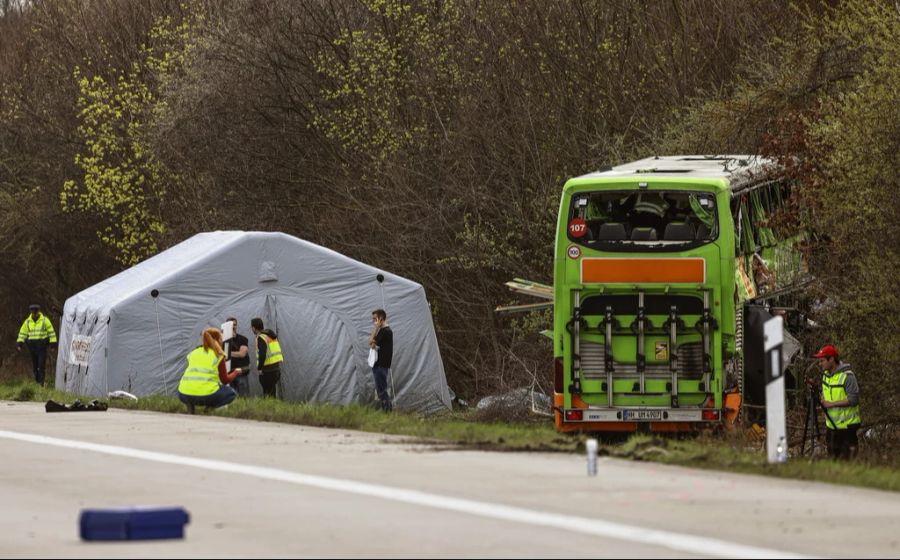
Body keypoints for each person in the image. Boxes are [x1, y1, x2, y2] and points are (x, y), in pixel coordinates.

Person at [177, 327, 241, 414]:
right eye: (221, 339)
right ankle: (209, 409)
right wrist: (236, 372)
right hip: (204, 395)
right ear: (218, 340)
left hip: (183, 393)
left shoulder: (193, 353)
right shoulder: (218, 355)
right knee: (231, 393)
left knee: (192, 390)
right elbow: (225, 380)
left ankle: (190, 407)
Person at [814, 344, 861, 459]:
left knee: (847, 464)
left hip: (847, 428)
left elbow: (854, 400)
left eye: (822, 361)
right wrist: (823, 404)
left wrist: (831, 404)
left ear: (832, 359)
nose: (820, 364)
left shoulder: (848, 376)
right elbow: (829, 395)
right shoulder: (825, 375)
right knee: (833, 463)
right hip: (831, 427)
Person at [16, 303, 57, 385]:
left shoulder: (45, 320)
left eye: (36, 311)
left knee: (41, 365)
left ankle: (41, 383)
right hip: (32, 347)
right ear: (31, 312)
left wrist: (53, 344)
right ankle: (37, 381)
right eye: (33, 311)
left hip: (42, 346)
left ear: (39, 311)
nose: (34, 313)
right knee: (35, 366)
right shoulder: (27, 322)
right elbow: (22, 333)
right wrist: (19, 344)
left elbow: (51, 332)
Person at [368, 309, 393, 411]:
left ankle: (387, 411)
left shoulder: (386, 331)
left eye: (375, 319)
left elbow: (370, 341)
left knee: (382, 391)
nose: (374, 321)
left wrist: (375, 328)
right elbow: (371, 343)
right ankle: (386, 410)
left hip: (381, 366)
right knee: (380, 390)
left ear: (381, 318)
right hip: (378, 365)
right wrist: (373, 341)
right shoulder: (382, 331)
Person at [250, 317, 283, 398]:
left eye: (251, 327)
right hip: (276, 368)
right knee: (272, 393)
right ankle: (273, 409)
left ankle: (269, 410)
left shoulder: (261, 337)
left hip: (267, 370)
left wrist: (259, 368)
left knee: (267, 394)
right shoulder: (269, 335)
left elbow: (262, 354)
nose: (251, 329)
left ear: (254, 328)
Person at [224, 317, 251, 397]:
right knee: (231, 397)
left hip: (240, 372)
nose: (233, 327)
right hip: (228, 373)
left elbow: (242, 354)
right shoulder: (222, 340)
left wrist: (226, 353)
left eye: (235, 325)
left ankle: (245, 410)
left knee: (244, 396)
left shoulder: (243, 339)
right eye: (231, 325)